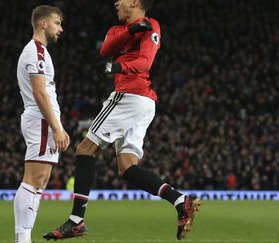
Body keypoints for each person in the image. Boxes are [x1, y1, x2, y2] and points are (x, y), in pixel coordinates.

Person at [43, 0, 201, 241]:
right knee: (128, 167)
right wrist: (131, 31)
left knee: (85, 151)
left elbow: (144, 63)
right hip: (144, 101)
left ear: (135, 2)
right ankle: (180, 200)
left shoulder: (152, 25)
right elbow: (105, 50)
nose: (116, 2)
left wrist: (117, 66)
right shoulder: (118, 30)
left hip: (130, 95)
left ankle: (76, 221)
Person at [14, 5, 69, 243]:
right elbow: (39, 92)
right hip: (41, 121)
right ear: (43, 24)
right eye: (57, 23)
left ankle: (24, 237)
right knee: (34, 180)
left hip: (41, 120)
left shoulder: (40, 52)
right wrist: (56, 127)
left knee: (40, 182)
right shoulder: (35, 52)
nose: (61, 29)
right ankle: (22, 237)